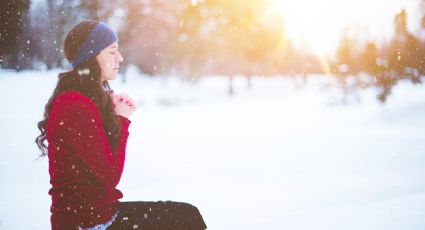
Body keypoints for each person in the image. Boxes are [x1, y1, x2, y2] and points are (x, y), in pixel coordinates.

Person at [35, 20, 207, 230]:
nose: (120, 58)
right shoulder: (74, 104)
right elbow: (109, 176)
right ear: (91, 56)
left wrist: (113, 117)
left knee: (186, 215)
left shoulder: (86, 99)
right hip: (88, 224)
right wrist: (122, 120)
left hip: (101, 215)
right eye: (112, 52)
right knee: (185, 218)